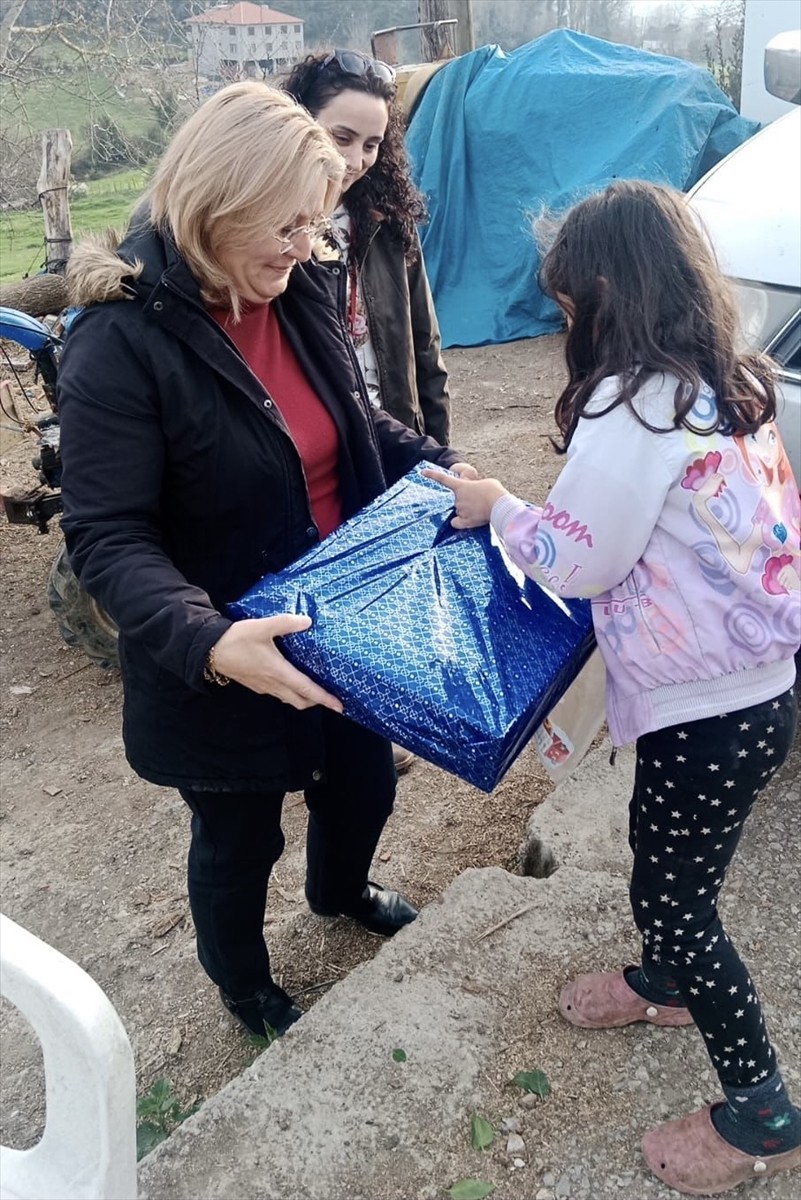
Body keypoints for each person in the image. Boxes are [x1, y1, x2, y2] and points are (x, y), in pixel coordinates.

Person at [57, 82, 476, 1043]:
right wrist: (210, 640)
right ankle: (244, 985)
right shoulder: (120, 341)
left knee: (362, 783)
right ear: (215, 203)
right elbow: (108, 537)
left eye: (313, 223)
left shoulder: (302, 284)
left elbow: (355, 422)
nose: (306, 244)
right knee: (240, 836)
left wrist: (449, 472)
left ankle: (340, 896)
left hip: (344, 620)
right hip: (226, 646)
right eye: (284, 226)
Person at [425, 180, 800, 1196]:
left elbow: (580, 557)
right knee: (671, 857)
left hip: (702, 709)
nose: (564, 327)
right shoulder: (737, 380)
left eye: (566, 308)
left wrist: (498, 506)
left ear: (602, 296)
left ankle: (762, 1110)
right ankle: (668, 984)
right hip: (763, 695)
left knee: (679, 901)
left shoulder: (633, 401)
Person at [284, 48, 452, 776]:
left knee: (391, 589)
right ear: (297, 126)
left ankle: (376, 725)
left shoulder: (387, 223)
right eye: (338, 136)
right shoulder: (276, 226)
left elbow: (424, 346)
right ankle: (314, 730)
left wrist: (435, 447)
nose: (353, 159)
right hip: (315, 444)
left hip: (391, 436)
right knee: (320, 595)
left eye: (371, 143)